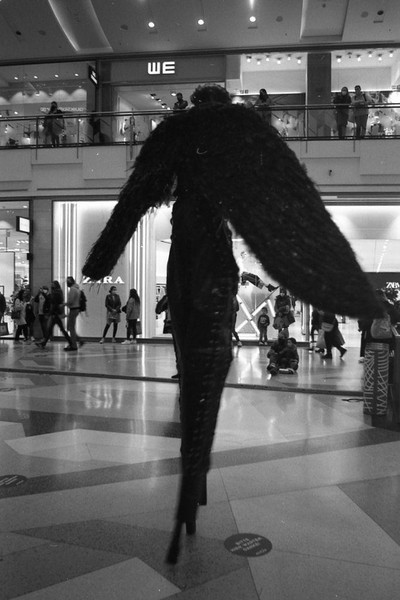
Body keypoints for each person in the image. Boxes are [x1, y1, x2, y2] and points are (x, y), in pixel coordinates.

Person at [82, 84, 381, 563]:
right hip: (213, 257)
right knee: (209, 369)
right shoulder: (237, 128)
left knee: (192, 369)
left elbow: (135, 199)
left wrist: (101, 259)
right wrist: (344, 285)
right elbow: (291, 197)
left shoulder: (176, 130)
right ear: (222, 103)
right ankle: (193, 480)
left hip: (184, 256)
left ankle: (191, 482)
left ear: (196, 102)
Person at [36, 280, 71, 349]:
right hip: (56, 313)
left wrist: (50, 313)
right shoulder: (59, 292)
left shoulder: (55, 293)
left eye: (52, 284)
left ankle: (71, 342)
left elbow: (53, 303)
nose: (51, 285)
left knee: (56, 329)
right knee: (53, 329)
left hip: (55, 313)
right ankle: (43, 343)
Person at [65, 276, 83, 351]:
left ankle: (74, 345)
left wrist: (64, 304)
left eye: (67, 281)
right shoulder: (77, 289)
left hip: (73, 309)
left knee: (71, 328)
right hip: (76, 309)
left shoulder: (72, 289)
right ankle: (78, 340)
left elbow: (71, 301)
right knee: (70, 327)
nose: (66, 283)